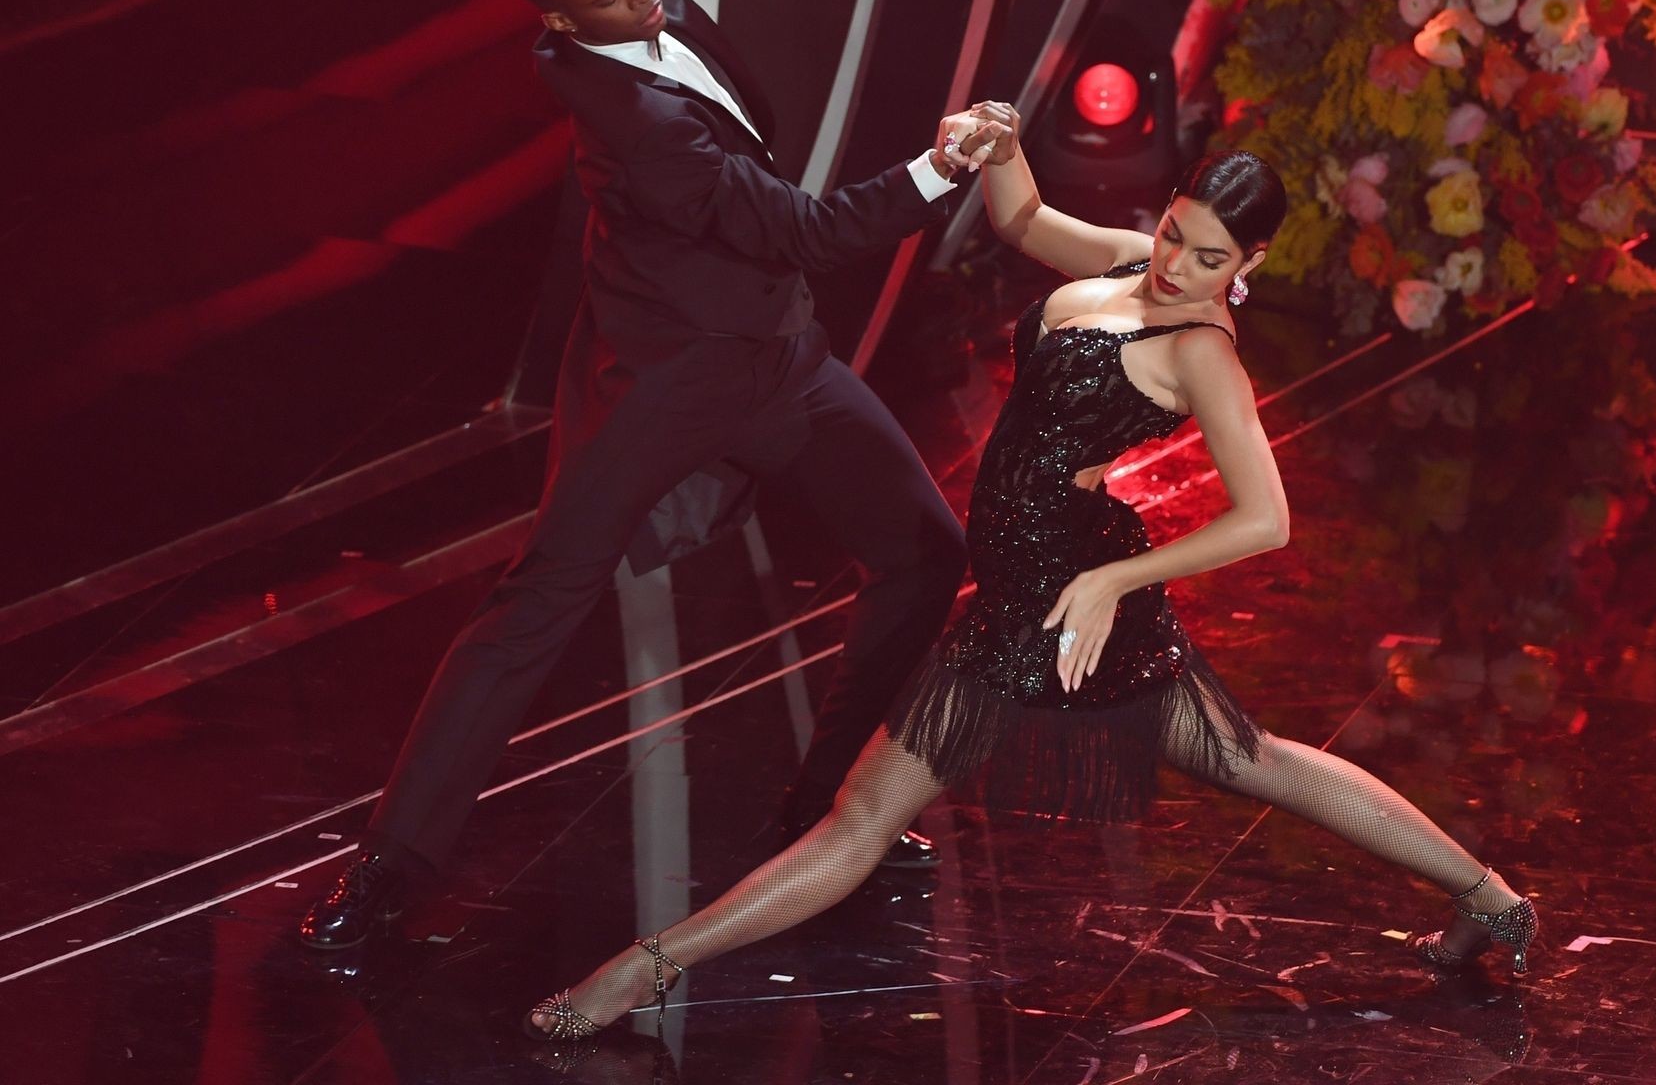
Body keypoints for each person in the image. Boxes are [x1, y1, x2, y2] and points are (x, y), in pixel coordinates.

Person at [521, 112, 1542, 1041]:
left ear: (1252, 263)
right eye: (1176, 233)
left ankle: (641, 970)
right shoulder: (1137, 261)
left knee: (864, 816)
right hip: (1035, 584)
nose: (1178, 265)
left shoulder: (1201, 351)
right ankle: (1490, 898)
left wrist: (1114, 580)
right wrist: (1001, 148)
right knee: (1249, 757)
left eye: (1210, 257)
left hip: (1058, 599)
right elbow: (1025, 222)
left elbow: (1267, 519)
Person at [298, 0, 1010, 949]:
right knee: (537, 603)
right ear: (564, 21)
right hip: (666, 383)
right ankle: (388, 870)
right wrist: (938, 166)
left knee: (926, 551)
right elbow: (811, 231)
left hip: (777, 354)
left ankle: (830, 812)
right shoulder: (637, 125)